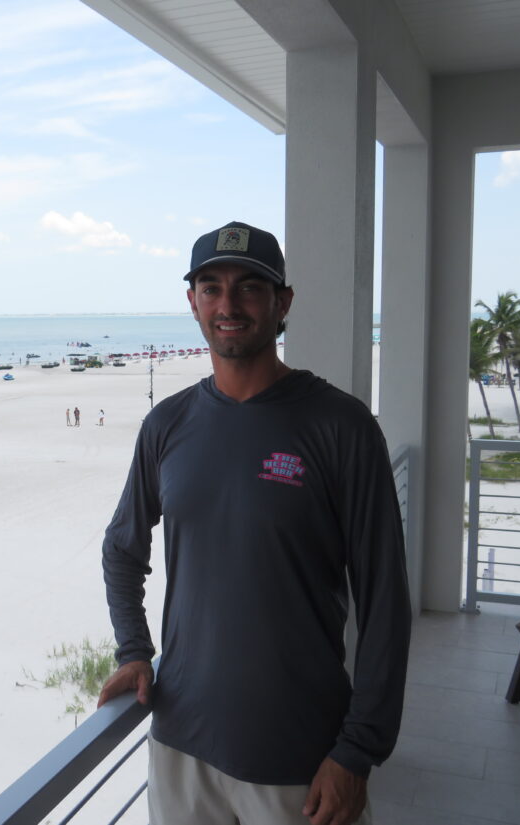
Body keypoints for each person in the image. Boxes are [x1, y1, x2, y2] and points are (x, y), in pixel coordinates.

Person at [98, 221, 411, 825]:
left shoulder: (342, 427)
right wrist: (134, 650)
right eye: (211, 288)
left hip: (301, 755)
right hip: (181, 746)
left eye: (248, 287)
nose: (228, 305)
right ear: (193, 302)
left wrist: (357, 751)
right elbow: (122, 549)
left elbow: (386, 604)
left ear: (282, 302)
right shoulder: (167, 425)